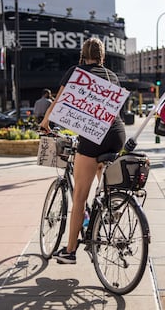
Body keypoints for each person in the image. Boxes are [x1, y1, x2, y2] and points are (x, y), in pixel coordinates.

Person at [39, 38, 126, 264]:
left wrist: (45, 123)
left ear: (82, 55)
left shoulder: (76, 72)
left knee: (79, 197)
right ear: (102, 56)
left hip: (94, 136)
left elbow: (58, 102)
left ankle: (69, 251)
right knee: (101, 171)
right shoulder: (112, 76)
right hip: (117, 134)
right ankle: (109, 204)